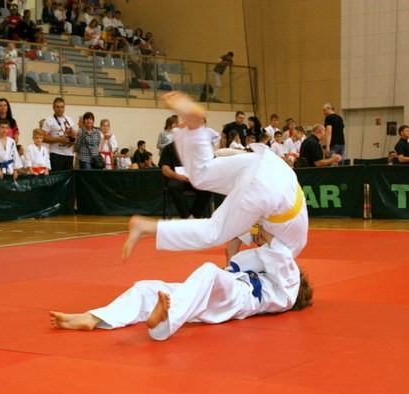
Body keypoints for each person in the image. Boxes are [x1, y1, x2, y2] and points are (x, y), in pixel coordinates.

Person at [122, 91, 309, 263]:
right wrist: (232, 268)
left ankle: (195, 128)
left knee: (201, 175)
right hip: (269, 188)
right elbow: (248, 256)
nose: (257, 242)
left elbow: (236, 240)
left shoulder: (284, 228)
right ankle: (147, 227)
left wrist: (218, 159)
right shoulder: (288, 254)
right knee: (214, 231)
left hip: (271, 165)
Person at [51, 227, 313, 341]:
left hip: (238, 299)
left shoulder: (287, 292)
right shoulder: (265, 273)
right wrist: (246, 231)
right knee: (147, 288)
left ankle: (163, 326)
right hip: (219, 295)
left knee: (208, 272)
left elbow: (281, 257)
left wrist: (265, 229)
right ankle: (95, 318)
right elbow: (234, 257)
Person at [160, 142, 211, 219]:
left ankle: (195, 215)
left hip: (194, 178)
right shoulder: (168, 148)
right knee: (173, 186)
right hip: (177, 178)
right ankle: (187, 216)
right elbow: (165, 169)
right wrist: (178, 176)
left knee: (207, 186)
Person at [40, 97, 76, 171]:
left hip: (69, 154)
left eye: (62, 107)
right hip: (56, 154)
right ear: (53, 107)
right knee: (57, 176)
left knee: (68, 176)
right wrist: (59, 139)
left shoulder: (69, 119)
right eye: (57, 107)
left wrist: (72, 139)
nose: (60, 109)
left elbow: (74, 136)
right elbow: (44, 138)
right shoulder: (49, 120)